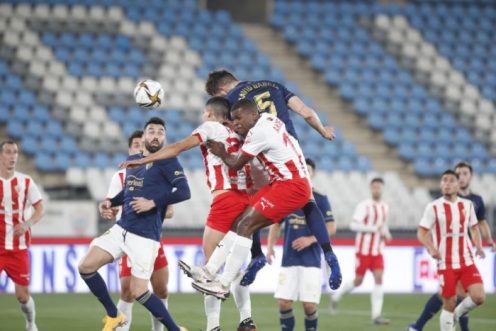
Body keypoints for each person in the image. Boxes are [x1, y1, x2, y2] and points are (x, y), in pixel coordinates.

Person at [120, 98, 256, 331]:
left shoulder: (211, 127)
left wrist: (145, 159)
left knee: (209, 272)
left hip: (225, 199)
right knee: (233, 267)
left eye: (205, 113)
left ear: (212, 114)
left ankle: (213, 327)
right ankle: (246, 320)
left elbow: (178, 147)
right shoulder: (241, 133)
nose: (203, 117)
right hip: (246, 200)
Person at [189, 99, 341, 300]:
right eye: (232, 119)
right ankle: (209, 270)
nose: (235, 123)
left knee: (245, 225)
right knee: (240, 220)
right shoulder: (270, 118)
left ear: (253, 115)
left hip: (290, 186)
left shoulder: (257, 133)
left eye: (238, 118)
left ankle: (223, 284)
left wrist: (221, 152)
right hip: (286, 181)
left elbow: (235, 164)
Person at [78, 117, 191, 331]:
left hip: (145, 236)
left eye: (160, 132)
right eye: (151, 131)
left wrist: (153, 202)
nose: (156, 135)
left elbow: (185, 191)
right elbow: (128, 191)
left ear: (164, 137)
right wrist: (110, 202)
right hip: (122, 229)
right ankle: (114, 316)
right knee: (85, 267)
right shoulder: (135, 162)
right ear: (144, 135)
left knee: (139, 291)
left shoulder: (168, 161)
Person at [408, 161, 494, 331]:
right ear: (441, 185)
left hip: (467, 259)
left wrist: (478, 246)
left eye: (450, 181)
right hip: (446, 262)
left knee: (479, 297)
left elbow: (475, 227)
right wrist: (431, 248)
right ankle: (446, 321)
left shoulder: (468, 205)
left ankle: (456, 315)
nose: (447, 184)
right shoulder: (433, 207)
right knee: (449, 301)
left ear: (457, 185)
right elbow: (421, 232)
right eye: (444, 181)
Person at [105, 130, 173, 331]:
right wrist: (111, 209)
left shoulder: (158, 175)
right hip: (129, 240)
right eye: (135, 145)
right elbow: (112, 204)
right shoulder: (120, 176)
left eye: (140, 145)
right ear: (129, 149)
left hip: (152, 238)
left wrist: (152, 205)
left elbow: (170, 212)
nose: (138, 148)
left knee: (161, 289)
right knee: (128, 292)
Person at [266, 158, 335, 331]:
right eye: (304, 170)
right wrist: (269, 247)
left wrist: (310, 239)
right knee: (284, 302)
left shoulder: (320, 198)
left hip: (311, 260)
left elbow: (331, 227)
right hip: (289, 259)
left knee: (309, 306)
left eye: (309, 171)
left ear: (313, 174)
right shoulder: (287, 196)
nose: (307, 173)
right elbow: (276, 224)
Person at [330, 177, 391, 325]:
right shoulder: (364, 206)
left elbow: (383, 225)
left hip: (377, 251)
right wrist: (372, 228)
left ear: (383, 188)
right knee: (358, 281)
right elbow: (353, 225)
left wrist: (386, 234)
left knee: (379, 278)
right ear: (371, 188)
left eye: (379, 187)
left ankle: (376, 315)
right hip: (363, 251)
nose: (377, 189)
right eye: (374, 186)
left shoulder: (385, 207)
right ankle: (336, 297)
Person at [0, 140, 44, 331]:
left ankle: (30, 323)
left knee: (22, 296)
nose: (12, 156)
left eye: (15, 152)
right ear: (1, 156)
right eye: (8, 152)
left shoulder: (25, 181)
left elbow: (39, 208)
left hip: (18, 249)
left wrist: (27, 224)